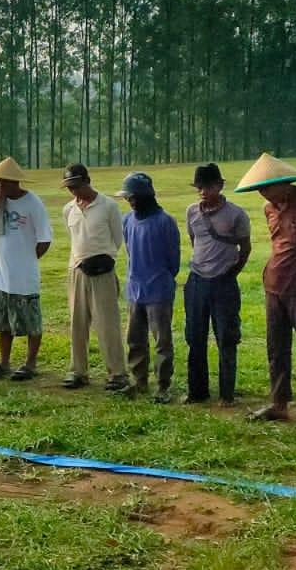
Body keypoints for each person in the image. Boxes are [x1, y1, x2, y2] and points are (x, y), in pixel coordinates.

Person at [236, 154, 296, 430]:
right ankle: (279, 403)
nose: (263, 194)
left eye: (267, 187)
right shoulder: (269, 208)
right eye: (259, 189)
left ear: (285, 183)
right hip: (273, 286)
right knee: (276, 348)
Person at [0, 157, 52, 381]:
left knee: (31, 321)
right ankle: (4, 362)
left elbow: (44, 240)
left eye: (3, 181)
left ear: (14, 182)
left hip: (24, 277)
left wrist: (27, 260)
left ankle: (30, 364)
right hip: (0, 277)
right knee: (3, 322)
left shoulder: (33, 203)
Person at [182, 163, 251, 406]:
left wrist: (231, 273)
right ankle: (197, 391)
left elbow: (245, 248)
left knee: (226, 338)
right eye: (199, 187)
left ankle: (226, 394)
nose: (203, 192)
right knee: (194, 337)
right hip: (197, 281)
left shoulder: (236, 214)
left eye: (208, 187)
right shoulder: (192, 212)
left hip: (223, 283)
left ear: (220, 186)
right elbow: (194, 241)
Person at [61, 163, 129, 392]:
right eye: (70, 188)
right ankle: (78, 371)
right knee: (77, 323)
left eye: (77, 186)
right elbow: (74, 238)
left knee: (108, 324)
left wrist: (102, 260)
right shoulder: (69, 209)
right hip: (77, 270)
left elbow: (117, 239)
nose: (74, 191)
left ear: (87, 181)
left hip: (102, 272)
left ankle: (117, 373)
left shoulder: (108, 206)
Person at [117, 172, 181, 403]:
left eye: (133, 197)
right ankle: (139, 381)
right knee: (135, 339)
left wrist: (161, 279)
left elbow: (173, 260)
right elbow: (129, 249)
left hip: (159, 291)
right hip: (135, 290)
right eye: (128, 198)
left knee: (161, 340)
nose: (130, 201)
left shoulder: (165, 222)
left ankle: (163, 385)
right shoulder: (127, 220)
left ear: (146, 196)